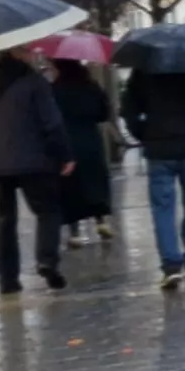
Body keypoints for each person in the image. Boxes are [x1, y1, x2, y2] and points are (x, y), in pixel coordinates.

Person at [0, 48, 74, 295]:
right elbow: (52, 122)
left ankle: (7, 280)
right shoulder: (34, 82)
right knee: (48, 212)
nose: (31, 53)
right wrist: (65, 155)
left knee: (4, 221)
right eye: (27, 50)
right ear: (18, 53)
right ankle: (46, 260)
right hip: (35, 160)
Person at [122, 69, 185, 289]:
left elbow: (128, 110)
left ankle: (171, 265)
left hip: (159, 150)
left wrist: (144, 133)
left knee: (163, 209)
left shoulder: (144, 71)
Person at [50, 59, 115, 246]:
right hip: (90, 140)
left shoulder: (54, 89)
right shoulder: (91, 86)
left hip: (66, 141)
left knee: (70, 186)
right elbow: (104, 113)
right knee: (95, 180)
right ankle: (101, 221)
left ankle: (75, 232)